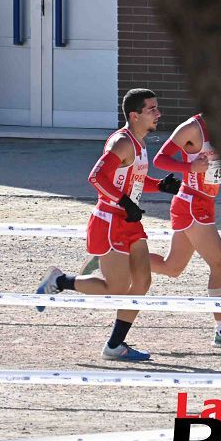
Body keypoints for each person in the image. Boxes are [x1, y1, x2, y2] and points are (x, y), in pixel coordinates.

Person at [36, 88, 181, 361]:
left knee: (142, 281)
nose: (158, 114)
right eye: (152, 109)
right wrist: (125, 203)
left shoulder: (138, 143)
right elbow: (97, 177)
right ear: (134, 115)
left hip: (129, 222)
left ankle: (115, 345)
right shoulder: (122, 143)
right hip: (111, 222)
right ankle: (60, 281)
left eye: (157, 108)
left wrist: (160, 185)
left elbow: (131, 182)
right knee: (115, 287)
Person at [149, 113, 221, 349]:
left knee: (172, 267)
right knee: (220, 264)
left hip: (203, 203)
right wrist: (189, 166)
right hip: (192, 203)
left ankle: (119, 257)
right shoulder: (192, 128)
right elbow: (160, 159)